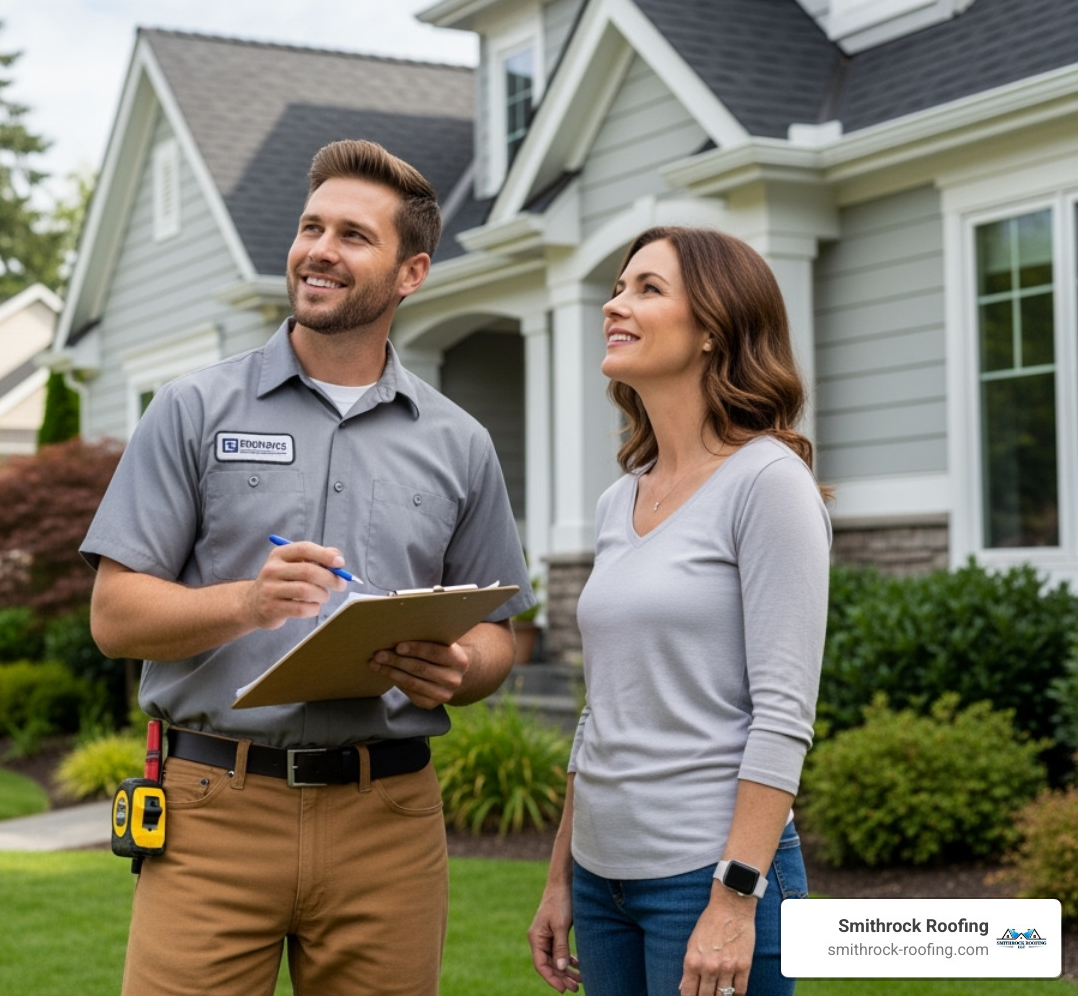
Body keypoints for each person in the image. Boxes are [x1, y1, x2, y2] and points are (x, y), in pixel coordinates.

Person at [83, 139, 533, 996]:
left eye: (354, 236)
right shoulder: (193, 409)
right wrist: (249, 603)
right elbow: (115, 616)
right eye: (310, 227)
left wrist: (463, 666)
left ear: (412, 273)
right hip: (214, 811)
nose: (319, 250)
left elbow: (500, 636)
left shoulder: (460, 445)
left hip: (388, 824)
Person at [528, 226, 831, 996]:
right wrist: (563, 874)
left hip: (708, 879)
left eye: (647, 289)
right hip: (603, 884)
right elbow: (604, 711)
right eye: (619, 287)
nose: (614, 304)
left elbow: (784, 715)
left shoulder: (768, 483)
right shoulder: (616, 500)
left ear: (712, 330)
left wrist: (734, 900)